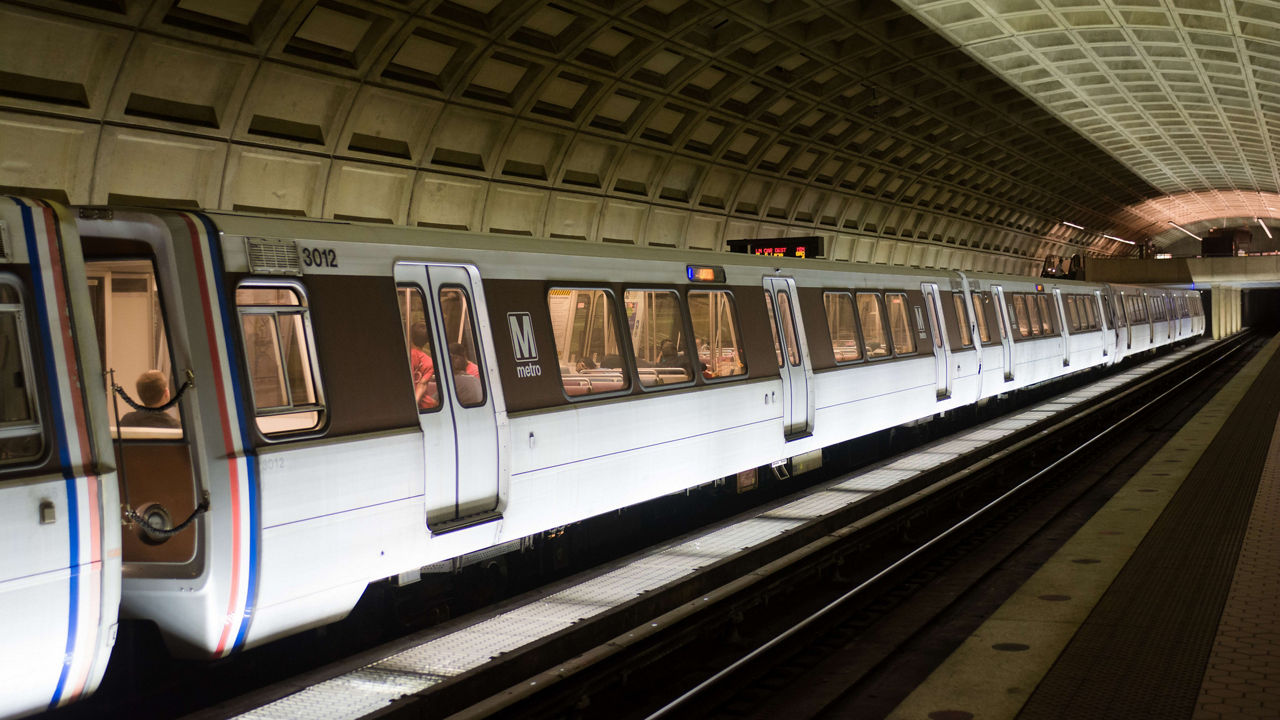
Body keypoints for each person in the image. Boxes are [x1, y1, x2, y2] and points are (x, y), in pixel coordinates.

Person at [409, 322, 437, 410]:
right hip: (422, 403)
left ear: (410, 337)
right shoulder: (429, 361)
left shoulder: (407, 355)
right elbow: (422, 384)